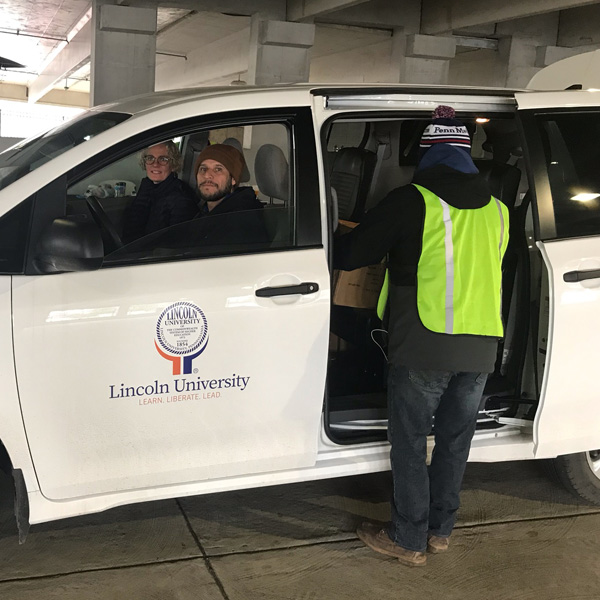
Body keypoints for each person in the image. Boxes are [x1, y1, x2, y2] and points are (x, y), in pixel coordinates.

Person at [334, 106, 509, 567]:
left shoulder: (413, 200)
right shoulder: (499, 211)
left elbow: (354, 254)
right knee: (455, 441)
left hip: (425, 342)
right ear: (467, 153)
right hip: (482, 347)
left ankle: (408, 538)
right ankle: (439, 531)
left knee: (410, 440)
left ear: (429, 153)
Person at [122, 141, 197, 243]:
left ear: (173, 164)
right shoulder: (147, 187)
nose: (155, 164)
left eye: (163, 159)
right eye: (150, 158)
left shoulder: (180, 198)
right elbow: (133, 227)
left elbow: (175, 243)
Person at [193, 144, 268, 245]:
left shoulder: (242, 222)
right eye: (203, 169)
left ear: (233, 180)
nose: (207, 175)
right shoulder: (205, 212)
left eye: (218, 169)